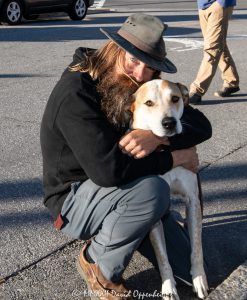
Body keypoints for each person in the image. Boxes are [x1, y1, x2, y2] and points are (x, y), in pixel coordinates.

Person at [40, 14, 212, 299]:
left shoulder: (141, 84)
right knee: (153, 190)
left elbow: (201, 125)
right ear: (114, 49)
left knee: (187, 270)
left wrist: (158, 136)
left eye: (150, 67)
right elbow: (108, 171)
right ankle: (98, 264)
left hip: (126, 189)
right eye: (133, 59)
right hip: (74, 197)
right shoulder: (76, 92)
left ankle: (136, 219)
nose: (140, 73)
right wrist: (174, 158)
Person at [189, 0, 240, 104]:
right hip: (202, 5)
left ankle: (197, 90)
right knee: (220, 45)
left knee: (212, 48)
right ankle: (231, 81)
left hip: (219, 4)